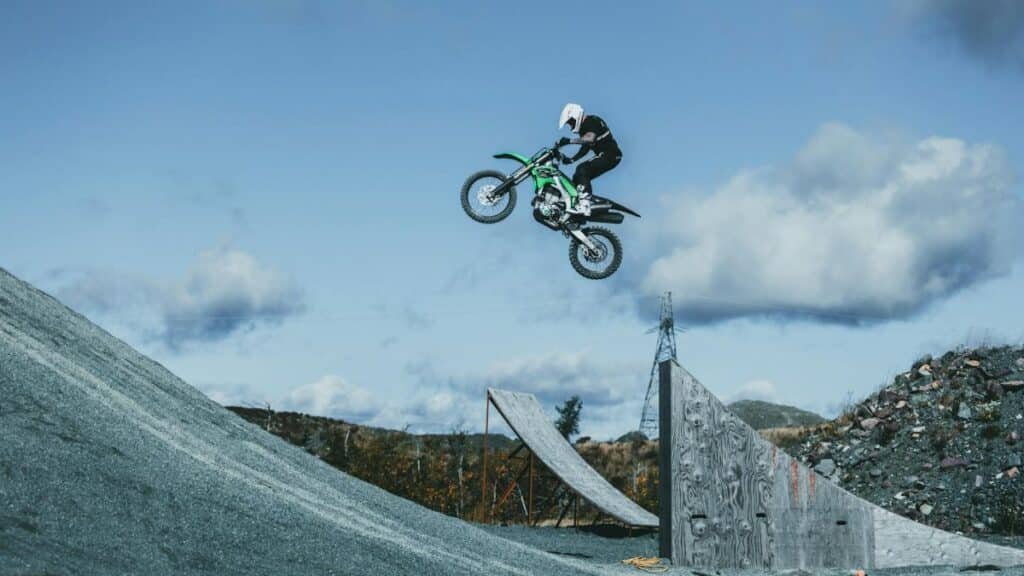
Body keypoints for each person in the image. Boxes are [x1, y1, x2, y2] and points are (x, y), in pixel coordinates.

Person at [557, 102, 622, 216]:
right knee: (577, 177)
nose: (571, 126)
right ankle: (576, 205)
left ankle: (585, 205)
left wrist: (569, 141)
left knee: (582, 169)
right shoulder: (584, 128)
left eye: (571, 122)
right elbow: (585, 147)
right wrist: (572, 159)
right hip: (608, 156)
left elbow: (590, 138)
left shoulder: (591, 121)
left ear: (575, 115)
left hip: (610, 154)